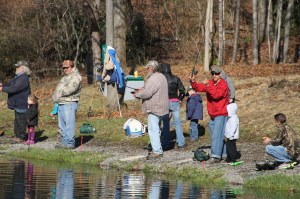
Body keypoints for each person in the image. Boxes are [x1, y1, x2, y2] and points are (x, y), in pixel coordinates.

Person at [190, 66, 229, 163]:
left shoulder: (223, 84)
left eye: (216, 74)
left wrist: (208, 85)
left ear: (220, 74)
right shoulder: (211, 83)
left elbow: (216, 95)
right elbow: (198, 87)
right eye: (213, 74)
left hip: (221, 113)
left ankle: (215, 156)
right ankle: (224, 154)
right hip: (213, 114)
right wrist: (193, 81)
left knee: (217, 135)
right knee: (215, 135)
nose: (214, 75)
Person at [133, 60, 169, 159]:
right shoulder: (162, 76)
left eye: (148, 67)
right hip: (163, 107)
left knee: (153, 130)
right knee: (158, 129)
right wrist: (142, 90)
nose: (147, 69)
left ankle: (157, 151)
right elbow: (150, 90)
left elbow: (147, 93)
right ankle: (158, 148)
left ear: (152, 68)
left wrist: (137, 94)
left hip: (155, 108)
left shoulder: (154, 78)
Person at [53, 60, 82, 149]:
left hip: (70, 103)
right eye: (64, 68)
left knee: (69, 124)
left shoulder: (76, 77)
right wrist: (55, 96)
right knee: (62, 125)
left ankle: (70, 143)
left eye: (67, 67)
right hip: (61, 103)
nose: (65, 69)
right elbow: (58, 89)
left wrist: (59, 93)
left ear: (72, 67)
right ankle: (64, 142)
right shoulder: (65, 77)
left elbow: (71, 89)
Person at [0, 61, 31, 142]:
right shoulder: (18, 77)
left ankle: (21, 137)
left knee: (21, 121)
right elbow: (10, 84)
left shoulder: (23, 78)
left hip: (21, 104)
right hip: (17, 104)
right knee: (17, 120)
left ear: (23, 69)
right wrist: (2, 85)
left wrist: (2, 89)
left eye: (18, 67)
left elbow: (14, 88)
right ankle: (17, 136)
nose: (16, 68)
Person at [160, 63, 186, 148]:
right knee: (177, 123)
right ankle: (181, 143)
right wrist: (179, 100)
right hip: (175, 101)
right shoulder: (176, 78)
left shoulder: (161, 79)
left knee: (166, 123)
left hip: (164, 102)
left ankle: (166, 142)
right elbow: (182, 91)